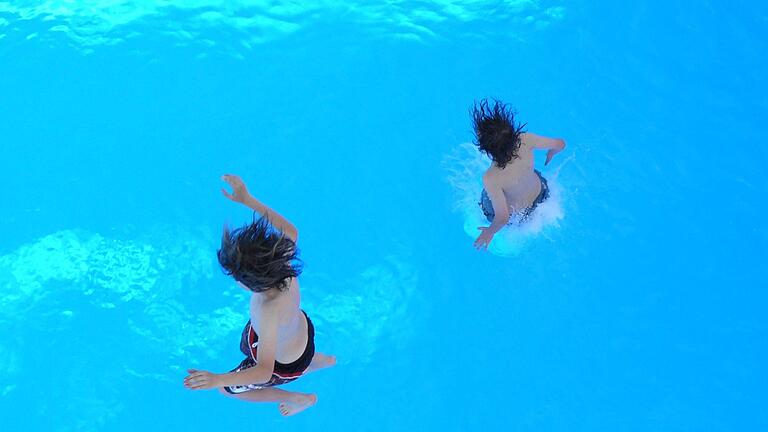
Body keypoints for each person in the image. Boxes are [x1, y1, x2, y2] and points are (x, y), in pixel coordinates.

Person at [184, 174, 336, 416]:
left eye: (237, 278)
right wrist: (248, 200)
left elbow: (264, 371)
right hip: (300, 337)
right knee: (293, 353)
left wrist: (216, 380)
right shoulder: (281, 265)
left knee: (227, 390)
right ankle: (323, 361)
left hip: (281, 366)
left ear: (254, 285)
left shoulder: (268, 312)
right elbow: (291, 231)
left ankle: (299, 399)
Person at [472, 99, 566, 249]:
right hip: (542, 192)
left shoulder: (491, 177)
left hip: (520, 215)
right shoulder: (525, 139)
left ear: (486, 149)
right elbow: (560, 144)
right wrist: (551, 153)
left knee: (486, 200)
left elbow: (502, 218)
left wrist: (489, 232)